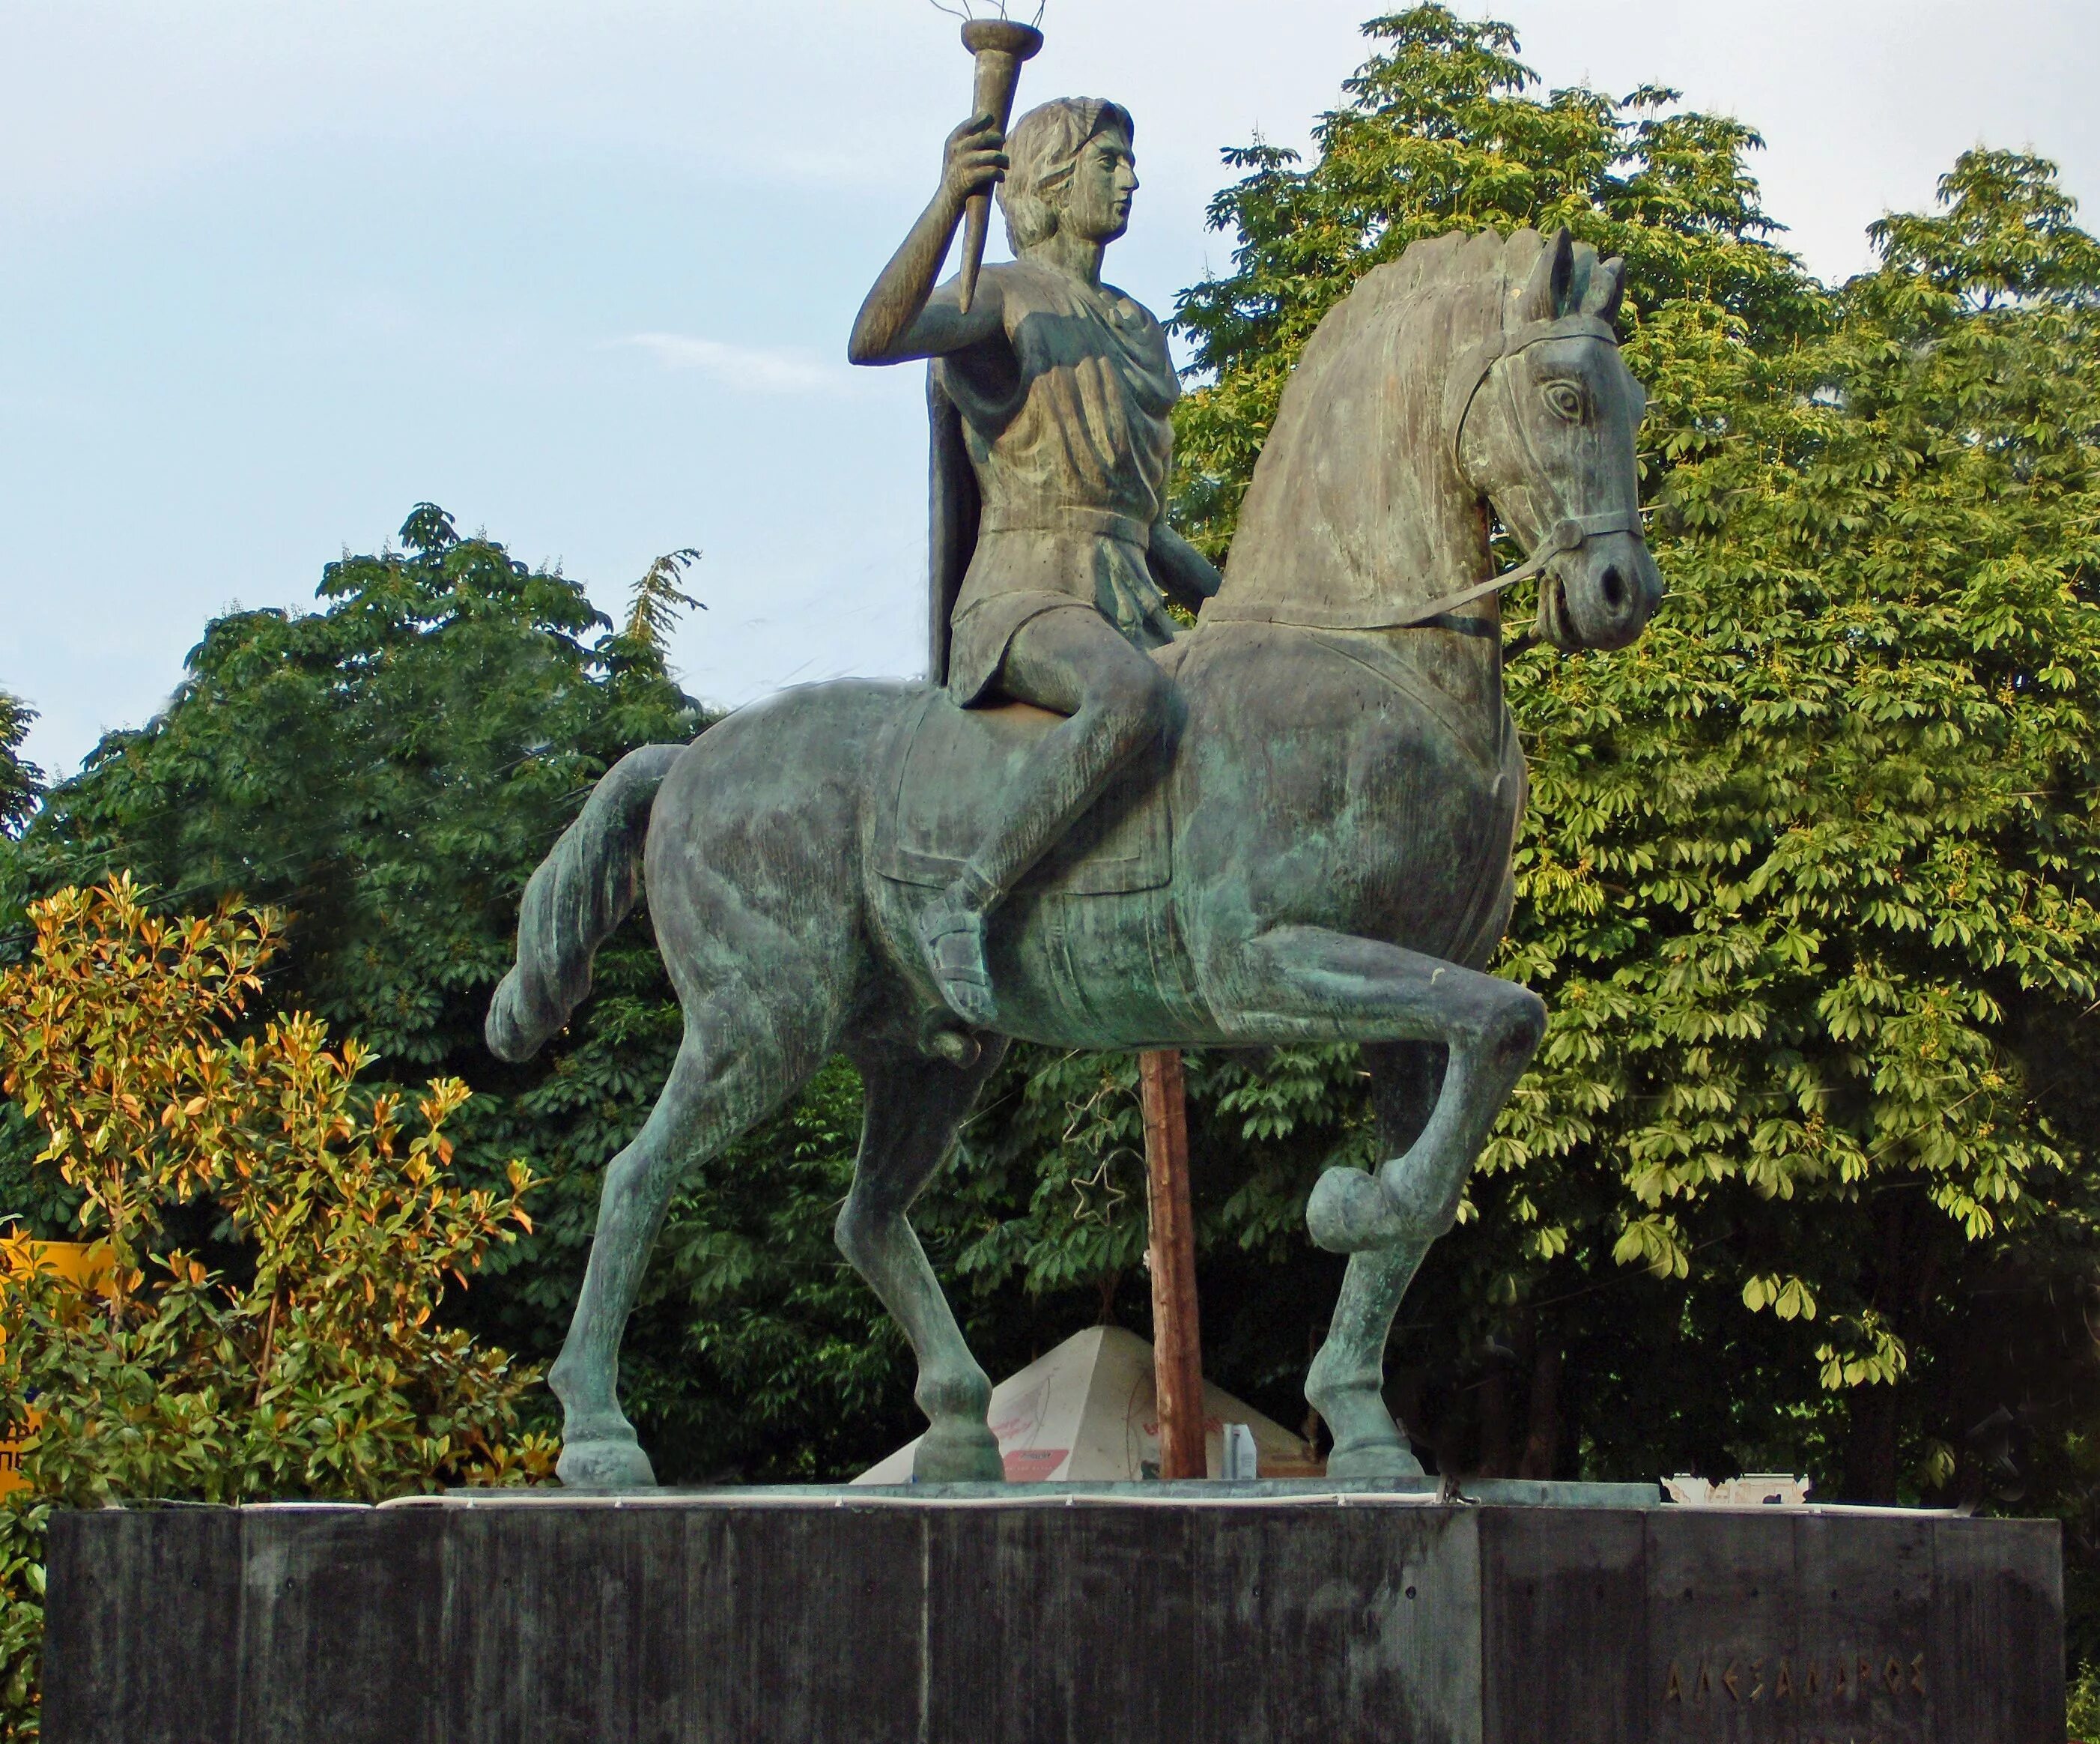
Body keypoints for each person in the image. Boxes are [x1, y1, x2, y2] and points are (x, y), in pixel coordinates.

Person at [849, 97, 1222, 1026]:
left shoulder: (1137, 326)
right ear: (1050, 182)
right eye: (1109, 160)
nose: (1130, 179)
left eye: (1128, 162)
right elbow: (874, 338)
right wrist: (946, 201)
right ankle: (962, 901)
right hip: (1024, 600)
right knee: (1130, 698)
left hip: (1128, 599)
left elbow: (1141, 526)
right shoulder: (1002, 293)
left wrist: (1244, 601)